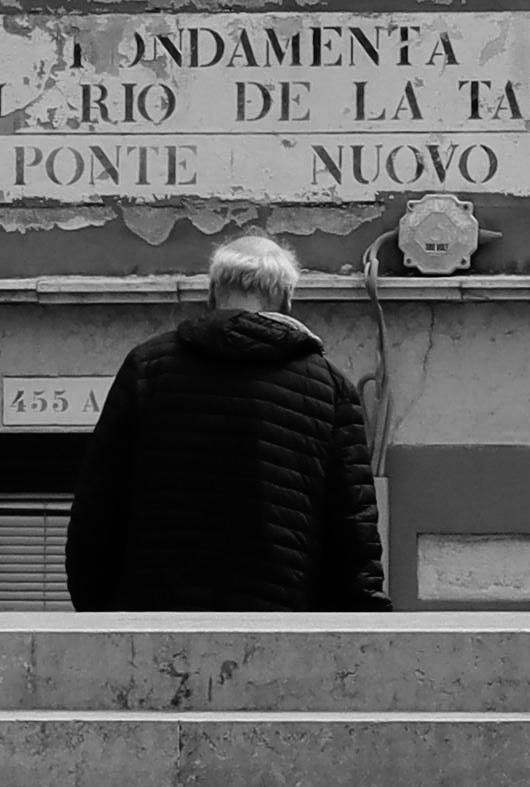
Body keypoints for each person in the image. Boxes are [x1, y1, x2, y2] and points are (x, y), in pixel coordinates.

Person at [63, 231, 391, 611]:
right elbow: (354, 532)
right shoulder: (330, 388)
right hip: (281, 629)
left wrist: (101, 617)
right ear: (286, 301)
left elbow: (97, 509)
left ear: (212, 294)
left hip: (157, 627)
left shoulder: (147, 368)